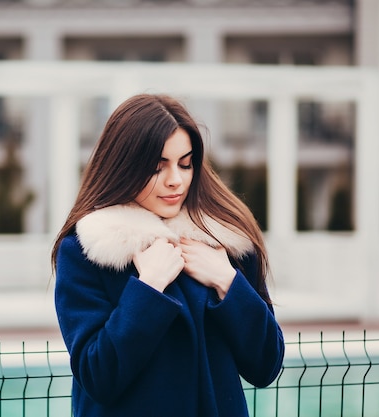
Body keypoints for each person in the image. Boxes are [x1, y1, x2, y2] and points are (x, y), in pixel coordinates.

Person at [52, 93, 284, 417]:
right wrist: (147, 288)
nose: (176, 180)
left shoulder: (224, 242)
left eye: (185, 164)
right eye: (157, 167)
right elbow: (97, 375)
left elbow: (266, 364)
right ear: (124, 167)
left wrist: (226, 281)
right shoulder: (86, 251)